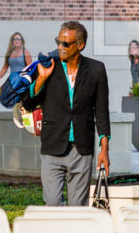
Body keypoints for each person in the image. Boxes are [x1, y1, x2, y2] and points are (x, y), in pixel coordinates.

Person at [21, 21, 110, 206]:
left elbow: (101, 112)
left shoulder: (96, 70)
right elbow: (28, 103)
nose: (60, 47)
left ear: (80, 45)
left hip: (82, 149)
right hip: (53, 145)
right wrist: (42, 78)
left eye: (66, 44)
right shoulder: (48, 67)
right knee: (53, 205)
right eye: (58, 42)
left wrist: (104, 149)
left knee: (77, 209)